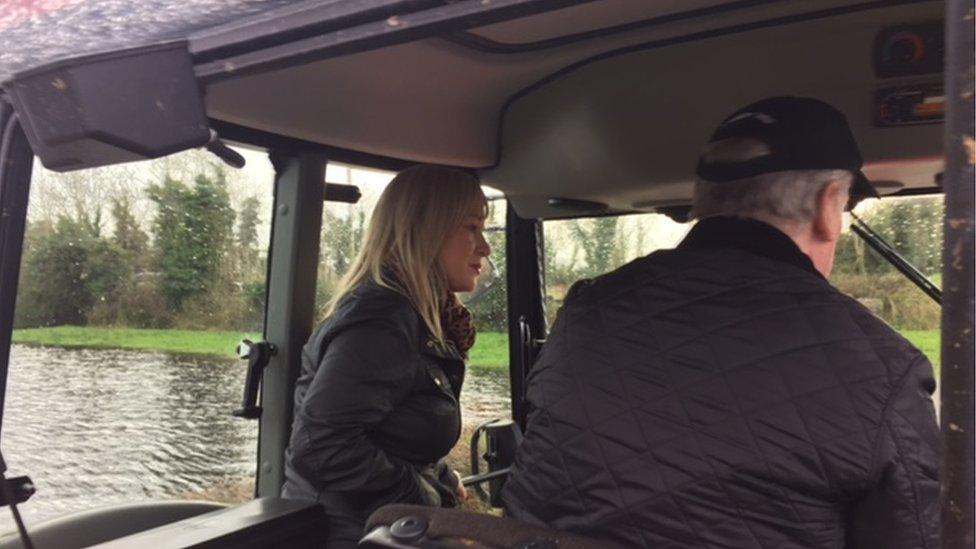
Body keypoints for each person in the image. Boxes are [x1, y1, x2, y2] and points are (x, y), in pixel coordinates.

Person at [502, 97, 940, 548]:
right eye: (846, 205)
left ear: (703, 202)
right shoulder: (883, 368)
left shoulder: (585, 311)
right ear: (830, 207)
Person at [281, 164, 491, 548]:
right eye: (472, 227)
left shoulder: (414, 319)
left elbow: (394, 433)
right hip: (350, 534)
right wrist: (424, 498)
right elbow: (322, 443)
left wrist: (439, 478)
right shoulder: (382, 321)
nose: (485, 247)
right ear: (425, 229)